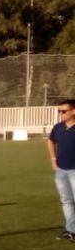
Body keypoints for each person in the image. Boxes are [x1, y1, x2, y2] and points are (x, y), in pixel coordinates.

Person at [48, 99, 75, 241]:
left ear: (73, 111)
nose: (61, 113)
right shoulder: (58, 127)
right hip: (61, 170)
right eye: (59, 111)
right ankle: (71, 230)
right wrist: (53, 160)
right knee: (66, 201)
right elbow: (50, 140)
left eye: (63, 111)